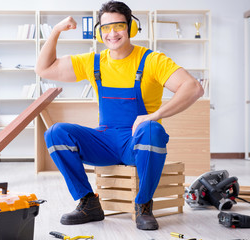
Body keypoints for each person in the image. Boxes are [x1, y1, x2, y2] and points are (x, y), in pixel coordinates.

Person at [35, 0, 203, 230]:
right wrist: (55, 31)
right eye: (105, 28)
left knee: (153, 129)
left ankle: (143, 204)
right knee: (56, 133)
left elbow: (193, 87)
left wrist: (154, 115)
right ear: (99, 32)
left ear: (131, 28)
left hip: (137, 141)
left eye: (118, 26)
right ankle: (89, 202)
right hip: (105, 141)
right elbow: (44, 69)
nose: (112, 33)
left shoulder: (152, 60)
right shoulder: (93, 62)